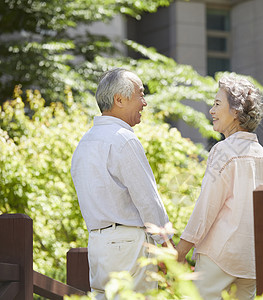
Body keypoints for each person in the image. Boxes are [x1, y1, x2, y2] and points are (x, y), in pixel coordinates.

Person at [71, 68, 172, 298]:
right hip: (129, 246)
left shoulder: (83, 144)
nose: (144, 103)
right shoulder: (123, 139)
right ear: (119, 99)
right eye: (141, 94)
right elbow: (148, 200)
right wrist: (167, 247)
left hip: (97, 244)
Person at [175, 74, 263, 300]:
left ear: (236, 111)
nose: (211, 110)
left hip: (219, 255)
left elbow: (206, 207)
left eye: (217, 104)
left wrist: (181, 249)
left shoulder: (224, 150)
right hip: (251, 260)